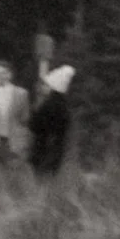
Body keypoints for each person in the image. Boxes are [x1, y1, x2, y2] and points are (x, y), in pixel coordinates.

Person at [28, 32, 75, 178]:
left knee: (40, 183)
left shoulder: (49, 105)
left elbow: (34, 125)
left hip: (43, 151)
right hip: (56, 152)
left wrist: (35, 111)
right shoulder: (64, 106)